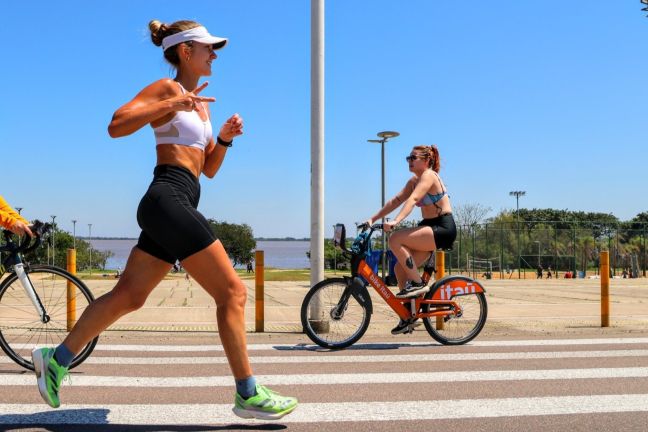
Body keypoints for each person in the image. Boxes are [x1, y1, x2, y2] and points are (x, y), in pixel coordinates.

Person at [30, 19, 297, 420]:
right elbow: (116, 125)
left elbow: (208, 169)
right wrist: (172, 104)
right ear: (186, 51)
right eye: (209, 48)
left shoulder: (199, 104)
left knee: (129, 296)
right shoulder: (168, 90)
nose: (215, 54)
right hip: (166, 197)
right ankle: (248, 392)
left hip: (180, 198)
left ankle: (57, 359)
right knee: (233, 294)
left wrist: (223, 138)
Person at [365, 145, 456, 335]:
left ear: (426, 160)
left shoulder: (429, 175)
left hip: (442, 228)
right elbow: (395, 201)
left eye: (413, 158)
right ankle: (409, 315)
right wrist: (372, 219)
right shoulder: (413, 181)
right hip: (429, 227)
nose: (409, 161)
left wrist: (397, 221)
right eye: (408, 158)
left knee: (395, 239)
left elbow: (413, 200)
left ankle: (418, 284)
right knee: (400, 268)